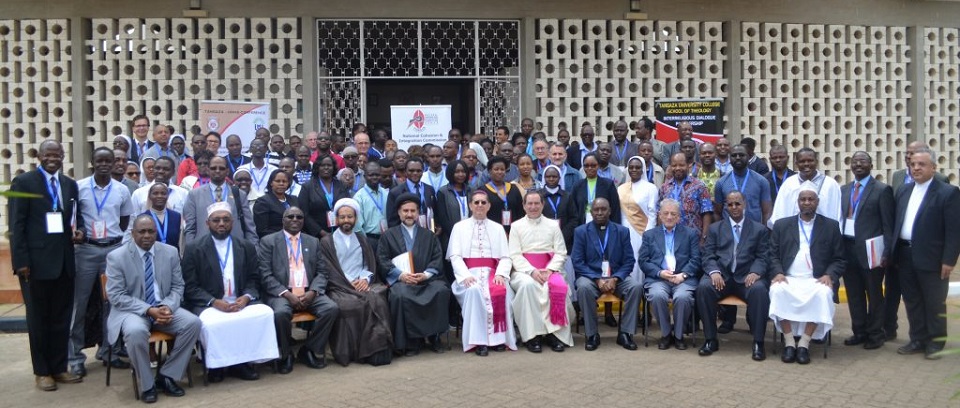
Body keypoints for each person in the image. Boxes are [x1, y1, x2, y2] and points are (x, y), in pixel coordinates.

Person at [10, 140, 85, 391]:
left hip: (64, 262)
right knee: (39, 320)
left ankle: (59, 368)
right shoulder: (24, 183)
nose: (53, 158)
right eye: (48, 154)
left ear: (63, 157)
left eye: (57, 154)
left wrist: (80, 231)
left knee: (61, 319)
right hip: (35, 265)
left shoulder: (69, 184)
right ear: (39, 156)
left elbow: (76, 218)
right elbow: (16, 226)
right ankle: (42, 372)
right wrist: (21, 262)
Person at [104, 215, 201, 402]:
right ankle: (148, 385)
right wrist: (149, 310)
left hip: (164, 308)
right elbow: (116, 296)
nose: (147, 235)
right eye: (142, 231)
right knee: (135, 332)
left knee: (193, 323)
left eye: (151, 231)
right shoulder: (117, 257)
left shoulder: (170, 252)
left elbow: (178, 286)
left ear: (156, 233)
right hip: (133, 311)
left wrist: (167, 306)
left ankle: (167, 376)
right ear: (133, 234)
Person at [181, 203, 276, 383]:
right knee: (210, 323)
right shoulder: (194, 248)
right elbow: (190, 286)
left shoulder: (245, 246)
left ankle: (241, 363)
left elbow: (254, 278)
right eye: (216, 220)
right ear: (207, 223)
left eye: (226, 220)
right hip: (210, 303)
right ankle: (216, 365)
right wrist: (214, 302)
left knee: (265, 313)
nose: (221, 223)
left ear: (232, 222)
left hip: (240, 301)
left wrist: (246, 297)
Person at [70, 148, 135, 377]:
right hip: (86, 250)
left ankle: (108, 351)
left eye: (110, 160)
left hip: (113, 251)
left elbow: (125, 220)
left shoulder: (122, 190)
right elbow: (73, 217)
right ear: (92, 163)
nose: (106, 164)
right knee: (80, 303)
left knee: (112, 303)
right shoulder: (79, 188)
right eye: (101, 160)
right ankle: (75, 357)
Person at [893, 148, 960, 359]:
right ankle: (918, 339)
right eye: (913, 164)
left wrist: (949, 260)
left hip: (933, 258)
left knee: (934, 302)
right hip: (905, 254)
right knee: (912, 300)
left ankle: (936, 343)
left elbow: (954, 230)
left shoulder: (947, 192)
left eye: (921, 164)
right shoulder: (904, 191)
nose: (916, 168)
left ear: (933, 167)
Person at [258, 206, 339, 373]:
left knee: (331, 309)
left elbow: (322, 272)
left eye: (299, 217)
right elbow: (265, 275)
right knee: (280, 314)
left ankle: (309, 349)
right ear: (283, 220)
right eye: (290, 217)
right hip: (281, 293)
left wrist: (313, 292)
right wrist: (287, 294)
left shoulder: (313, 241)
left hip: (308, 291)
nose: (295, 220)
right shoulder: (268, 241)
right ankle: (286, 354)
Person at [769, 188, 844, 365]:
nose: (807, 202)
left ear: (817, 202)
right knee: (777, 291)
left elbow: (840, 258)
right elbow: (772, 254)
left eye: (811, 199)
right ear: (798, 202)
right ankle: (789, 343)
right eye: (803, 199)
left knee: (823, 294)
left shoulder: (831, 226)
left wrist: (829, 275)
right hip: (788, 277)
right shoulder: (782, 225)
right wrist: (778, 272)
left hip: (816, 279)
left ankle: (803, 343)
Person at [696, 191, 772, 361]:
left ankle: (758, 342)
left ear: (744, 204)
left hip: (746, 279)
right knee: (703, 288)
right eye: (730, 204)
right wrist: (714, 272)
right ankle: (710, 339)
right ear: (725, 207)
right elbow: (708, 255)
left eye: (737, 203)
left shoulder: (759, 229)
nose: (734, 207)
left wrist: (755, 272)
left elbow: (763, 257)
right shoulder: (716, 229)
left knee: (760, 290)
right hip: (722, 277)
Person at [318, 198, 394, 366]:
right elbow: (329, 269)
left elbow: (369, 264)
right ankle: (353, 352)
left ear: (356, 219)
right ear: (336, 219)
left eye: (350, 217)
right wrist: (349, 281)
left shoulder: (362, 239)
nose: (346, 220)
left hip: (362, 283)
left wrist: (364, 279)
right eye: (342, 217)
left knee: (378, 300)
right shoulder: (326, 242)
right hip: (339, 286)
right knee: (349, 305)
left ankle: (377, 351)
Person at [376, 193, 451, 356]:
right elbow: (382, 260)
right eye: (405, 211)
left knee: (441, 291)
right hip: (402, 281)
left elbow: (437, 258)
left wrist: (426, 274)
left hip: (426, 280)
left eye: (413, 211)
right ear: (399, 212)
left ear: (418, 213)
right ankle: (410, 342)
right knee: (400, 295)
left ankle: (434, 336)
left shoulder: (429, 235)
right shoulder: (388, 235)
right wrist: (401, 275)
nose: (409, 214)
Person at [447, 190, 517, 355]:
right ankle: (478, 342)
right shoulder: (459, 227)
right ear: (470, 205)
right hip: (468, 274)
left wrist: (500, 274)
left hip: (493, 273)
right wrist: (465, 276)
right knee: (473, 291)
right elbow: (455, 257)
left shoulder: (498, 228)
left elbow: (506, 257)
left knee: (503, 291)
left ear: (489, 206)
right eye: (476, 202)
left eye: (483, 202)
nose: (479, 205)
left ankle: (499, 340)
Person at [841, 152, 896, 352]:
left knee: (874, 294)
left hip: (872, 250)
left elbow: (888, 225)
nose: (858, 165)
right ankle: (859, 331)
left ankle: (875, 334)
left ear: (871, 165)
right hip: (847, 248)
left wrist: (887, 252)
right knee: (854, 293)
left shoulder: (882, 190)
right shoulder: (844, 190)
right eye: (855, 162)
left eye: (862, 161)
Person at [509, 190, 575, 353]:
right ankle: (532, 336)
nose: (533, 207)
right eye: (529, 204)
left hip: (550, 269)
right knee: (528, 287)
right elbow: (514, 254)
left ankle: (554, 335)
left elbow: (561, 252)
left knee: (554, 287)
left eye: (536, 203)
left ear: (542, 205)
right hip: (524, 272)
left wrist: (551, 270)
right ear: (523, 206)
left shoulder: (553, 225)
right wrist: (532, 271)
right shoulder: (516, 226)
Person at [572, 198, 641, 351]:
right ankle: (592, 334)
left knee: (635, 287)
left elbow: (629, 260)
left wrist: (616, 278)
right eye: (596, 210)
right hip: (591, 277)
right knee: (583, 287)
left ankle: (625, 333)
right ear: (591, 212)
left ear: (610, 211)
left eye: (603, 209)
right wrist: (597, 279)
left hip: (616, 277)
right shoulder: (581, 232)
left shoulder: (622, 231)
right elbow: (577, 262)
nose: (600, 213)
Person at [638, 199, 700, 350]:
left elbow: (696, 259)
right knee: (658, 295)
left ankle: (678, 336)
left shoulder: (690, 234)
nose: (669, 217)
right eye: (666, 213)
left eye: (673, 214)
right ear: (660, 215)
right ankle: (666, 334)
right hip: (659, 279)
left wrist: (683, 275)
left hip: (683, 279)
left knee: (683, 297)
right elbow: (643, 261)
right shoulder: (649, 235)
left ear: (679, 217)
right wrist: (660, 273)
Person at [183, 156, 258, 244]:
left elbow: (249, 227)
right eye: (213, 168)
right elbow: (190, 228)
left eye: (221, 168)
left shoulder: (239, 194)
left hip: (235, 248)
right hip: (204, 248)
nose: (217, 171)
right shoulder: (194, 195)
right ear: (208, 170)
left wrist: (253, 249)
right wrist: (191, 252)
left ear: (227, 171)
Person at [768, 147, 842, 227]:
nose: (806, 164)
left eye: (810, 160)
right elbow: (780, 214)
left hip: (823, 235)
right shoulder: (789, 184)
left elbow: (837, 214)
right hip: (794, 235)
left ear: (816, 162)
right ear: (796, 164)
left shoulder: (830, 185)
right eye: (802, 161)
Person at [564, 153, 622, 242]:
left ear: (598, 166)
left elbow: (615, 209)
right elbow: (573, 211)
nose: (590, 168)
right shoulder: (577, 185)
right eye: (586, 166)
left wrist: (615, 231)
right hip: (582, 226)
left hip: (604, 225)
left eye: (593, 165)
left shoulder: (608, 184)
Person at [618, 157, 659, 279]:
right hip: (624, 230)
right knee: (625, 259)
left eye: (637, 167)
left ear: (643, 169)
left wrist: (647, 235)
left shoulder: (650, 188)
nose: (634, 170)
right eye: (631, 167)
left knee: (639, 259)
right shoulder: (621, 188)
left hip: (642, 232)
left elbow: (653, 214)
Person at [659, 153, 713, 241]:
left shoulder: (699, 186)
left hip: (693, 239)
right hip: (669, 238)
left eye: (681, 165)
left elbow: (707, 213)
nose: (678, 168)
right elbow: (659, 213)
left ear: (688, 166)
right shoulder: (664, 188)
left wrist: (704, 238)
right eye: (674, 165)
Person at [713, 145, 772, 226]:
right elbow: (717, 213)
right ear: (729, 159)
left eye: (741, 155)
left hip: (754, 233)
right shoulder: (721, 183)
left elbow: (767, 212)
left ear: (748, 157)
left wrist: (765, 233)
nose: (737, 157)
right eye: (734, 155)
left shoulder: (761, 181)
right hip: (729, 233)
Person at [300, 155, 351, 237]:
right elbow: (304, 213)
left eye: (329, 165)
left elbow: (348, 208)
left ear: (333, 167)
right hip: (316, 235)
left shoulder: (341, 185)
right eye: (323, 165)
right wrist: (321, 232)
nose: (326, 167)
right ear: (317, 167)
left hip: (341, 232)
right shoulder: (308, 187)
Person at [386, 157, 437, 228]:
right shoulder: (395, 192)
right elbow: (392, 221)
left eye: (418, 171)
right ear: (405, 171)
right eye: (411, 170)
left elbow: (433, 213)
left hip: (427, 233)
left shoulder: (429, 189)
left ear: (423, 171)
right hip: (404, 233)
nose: (415, 173)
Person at [353, 160, 389, 252]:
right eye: (371, 175)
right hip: (369, 240)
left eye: (377, 175)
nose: (374, 177)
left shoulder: (386, 193)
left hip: (387, 238)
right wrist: (365, 243)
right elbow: (358, 226)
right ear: (365, 176)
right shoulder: (359, 197)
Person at [483, 157, 525, 234]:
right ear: (489, 171)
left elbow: (520, 212)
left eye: (502, 169)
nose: (500, 172)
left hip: (513, 232)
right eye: (496, 169)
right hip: (491, 232)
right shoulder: (483, 191)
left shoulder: (514, 188)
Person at [254, 169, 300, 238]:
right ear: (271, 183)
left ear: (288, 183)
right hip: (274, 240)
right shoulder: (262, 202)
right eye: (278, 181)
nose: (281, 183)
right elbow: (262, 230)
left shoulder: (294, 199)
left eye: (284, 181)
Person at [142, 183, 182, 251]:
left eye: (163, 193)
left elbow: (180, 242)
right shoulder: (142, 218)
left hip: (173, 257)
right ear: (150, 196)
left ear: (168, 195)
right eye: (155, 193)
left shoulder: (176, 216)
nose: (159, 196)